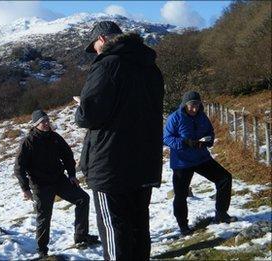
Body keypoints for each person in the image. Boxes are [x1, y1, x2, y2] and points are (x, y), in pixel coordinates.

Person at [75, 21, 164, 260]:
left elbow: (89, 115)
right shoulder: (150, 67)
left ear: (102, 39)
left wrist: (79, 108)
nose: (94, 51)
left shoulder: (107, 65)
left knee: (116, 231)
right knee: (138, 230)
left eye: (94, 45)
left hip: (111, 166)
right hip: (145, 162)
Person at [14, 110, 98, 258]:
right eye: (42, 122)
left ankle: (81, 236)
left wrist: (72, 175)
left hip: (59, 180)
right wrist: (25, 188)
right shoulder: (28, 142)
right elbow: (19, 167)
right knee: (44, 217)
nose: (46, 124)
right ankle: (42, 250)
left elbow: (67, 156)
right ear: (36, 125)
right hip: (40, 185)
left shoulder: (54, 137)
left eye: (47, 120)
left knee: (83, 199)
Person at [163, 91, 237, 236]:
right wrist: (184, 142)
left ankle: (221, 214)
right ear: (185, 105)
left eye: (197, 105)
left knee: (224, 178)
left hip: (201, 158)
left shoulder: (202, 116)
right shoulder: (175, 118)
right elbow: (166, 138)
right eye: (191, 106)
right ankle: (183, 226)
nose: (194, 109)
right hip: (181, 162)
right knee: (180, 194)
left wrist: (208, 140)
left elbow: (210, 131)